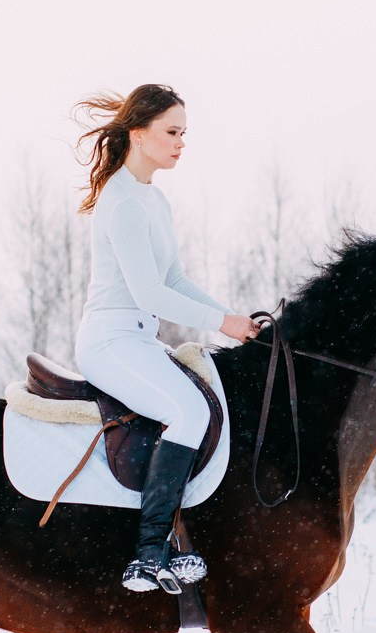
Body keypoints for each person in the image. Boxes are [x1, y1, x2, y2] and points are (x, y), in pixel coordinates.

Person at [73, 85, 261, 593]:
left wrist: (232, 317)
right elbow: (149, 292)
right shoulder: (123, 202)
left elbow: (174, 279)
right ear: (138, 133)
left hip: (138, 339)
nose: (181, 143)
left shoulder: (153, 199)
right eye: (172, 133)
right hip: (111, 340)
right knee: (190, 412)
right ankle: (149, 552)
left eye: (184, 134)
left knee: (208, 401)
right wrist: (222, 325)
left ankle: (177, 541)